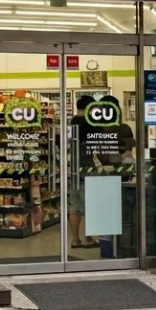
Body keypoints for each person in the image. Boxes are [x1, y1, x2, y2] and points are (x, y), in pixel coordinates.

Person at [68, 96, 98, 248]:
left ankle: (75, 240)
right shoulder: (89, 122)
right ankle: (88, 239)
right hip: (86, 168)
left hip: (73, 169)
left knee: (75, 206)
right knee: (90, 204)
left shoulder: (73, 121)